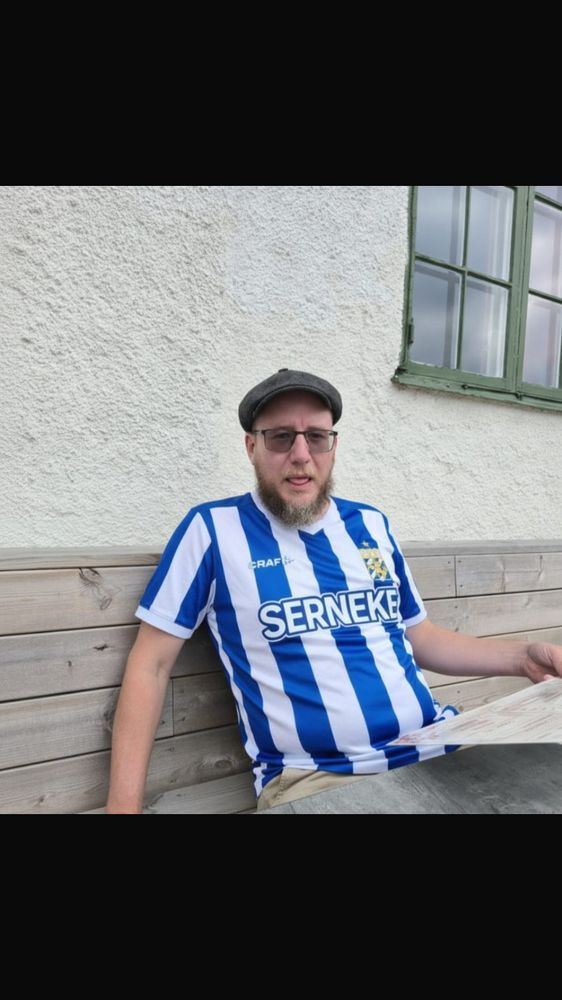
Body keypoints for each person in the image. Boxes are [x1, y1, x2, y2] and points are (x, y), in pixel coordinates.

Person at [105, 368, 562, 813]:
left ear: (333, 446)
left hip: (435, 746)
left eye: (316, 437)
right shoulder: (213, 531)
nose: (301, 454)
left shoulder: (370, 525)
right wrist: (123, 807)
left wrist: (523, 658)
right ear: (251, 447)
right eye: (281, 437)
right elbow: (151, 663)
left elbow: (420, 638)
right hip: (318, 778)